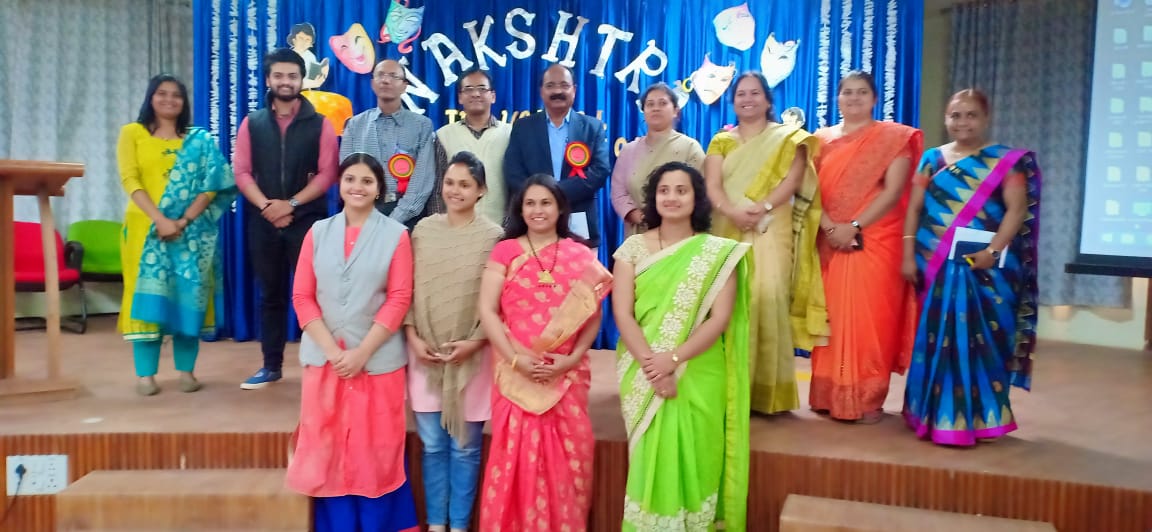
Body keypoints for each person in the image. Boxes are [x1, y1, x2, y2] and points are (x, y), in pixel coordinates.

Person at [612, 162, 751, 531]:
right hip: (643, 368)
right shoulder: (631, 249)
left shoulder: (717, 253)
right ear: (653, 198)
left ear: (696, 198)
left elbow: (719, 319)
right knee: (651, 458)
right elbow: (623, 314)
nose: (671, 198)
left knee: (698, 452)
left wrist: (673, 359)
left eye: (681, 190)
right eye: (664, 190)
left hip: (699, 369)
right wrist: (654, 367)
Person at [285, 152, 418, 531]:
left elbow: (399, 299)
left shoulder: (396, 235)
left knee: (375, 451)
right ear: (339, 185)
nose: (357, 187)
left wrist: (361, 353)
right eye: (350, 179)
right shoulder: (318, 232)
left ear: (379, 189)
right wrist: (333, 352)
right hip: (325, 362)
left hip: (377, 362)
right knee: (327, 448)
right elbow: (302, 297)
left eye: (367, 181)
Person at [901, 89, 1041, 447]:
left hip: (987, 270)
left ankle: (985, 417)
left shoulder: (1006, 162)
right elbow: (914, 208)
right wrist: (907, 254)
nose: (962, 122)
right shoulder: (932, 159)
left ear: (985, 118)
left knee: (987, 341)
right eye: (955, 115)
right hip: (934, 263)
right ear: (946, 119)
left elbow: (1016, 210)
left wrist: (993, 251)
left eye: (971, 115)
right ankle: (932, 413)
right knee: (934, 339)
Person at [476, 174, 612, 531]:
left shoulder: (579, 254)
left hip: (565, 375)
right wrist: (516, 359)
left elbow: (593, 317)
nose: (538, 210)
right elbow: (487, 310)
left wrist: (571, 359)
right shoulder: (505, 251)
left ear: (560, 208)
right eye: (530, 203)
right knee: (513, 458)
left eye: (546, 203)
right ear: (520, 209)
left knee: (569, 457)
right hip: (514, 372)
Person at [702, 71, 827, 415]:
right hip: (727, 226)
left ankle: (766, 393)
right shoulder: (720, 141)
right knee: (729, 302)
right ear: (733, 102)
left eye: (755, 93)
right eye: (741, 94)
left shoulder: (787, 138)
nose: (747, 99)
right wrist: (733, 212)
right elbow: (712, 185)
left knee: (767, 298)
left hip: (772, 226)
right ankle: (729, 390)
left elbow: (793, 179)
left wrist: (763, 207)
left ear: (768, 100)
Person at [809, 71, 924, 423]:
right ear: (837, 98)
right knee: (830, 319)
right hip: (829, 239)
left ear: (875, 99)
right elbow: (809, 190)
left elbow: (893, 191)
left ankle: (867, 398)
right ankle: (828, 395)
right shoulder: (819, 140)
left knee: (870, 320)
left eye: (862, 92)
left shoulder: (893, 138)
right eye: (847, 92)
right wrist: (831, 227)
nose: (854, 98)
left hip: (875, 239)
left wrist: (854, 226)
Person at [117, 74, 236, 396]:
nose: (169, 100)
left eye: (176, 95)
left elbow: (214, 185)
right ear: (150, 97)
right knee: (147, 297)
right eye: (162, 93)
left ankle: (187, 371)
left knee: (189, 297)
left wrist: (182, 221)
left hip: (191, 233)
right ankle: (146, 375)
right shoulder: (132, 133)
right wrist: (160, 220)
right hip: (144, 231)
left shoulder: (199, 140)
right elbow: (130, 179)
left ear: (184, 102)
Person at [405, 151, 503, 532]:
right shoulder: (423, 231)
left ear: (481, 191)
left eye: (465, 184)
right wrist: (412, 337)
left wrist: (475, 342)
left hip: (473, 358)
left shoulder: (494, 237)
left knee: (465, 448)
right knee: (432, 445)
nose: (455, 190)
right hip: (425, 355)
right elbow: (408, 290)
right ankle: (436, 524)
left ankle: (459, 525)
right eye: (450, 183)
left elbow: (498, 302)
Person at [234, 48, 339, 390]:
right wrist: (268, 206)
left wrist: (290, 204)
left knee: (316, 295)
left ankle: (324, 363)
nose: (285, 81)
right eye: (278, 75)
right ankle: (271, 366)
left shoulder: (320, 124)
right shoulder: (252, 123)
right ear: (268, 79)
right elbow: (242, 172)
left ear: (301, 80)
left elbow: (328, 174)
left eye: (292, 76)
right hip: (262, 222)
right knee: (271, 295)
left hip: (307, 221)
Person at [504, 64, 611, 248]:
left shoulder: (592, 127)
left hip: (578, 219)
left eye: (564, 85)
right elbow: (513, 172)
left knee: (581, 267)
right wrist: (541, 199)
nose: (557, 91)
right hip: (534, 221)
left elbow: (600, 170)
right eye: (550, 86)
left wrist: (554, 194)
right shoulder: (523, 127)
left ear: (574, 90)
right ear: (541, 91)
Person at [341, 59, 437, 228]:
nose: (386, 80)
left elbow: (423, 180)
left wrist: (393, 221)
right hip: (362, 214)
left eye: (393, 76)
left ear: (404, 86)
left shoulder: (422, 125)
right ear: (372, 83)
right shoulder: (355, 125)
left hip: (407, 216)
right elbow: (346, 175)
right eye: (380, 75)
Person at [611, 83, 706, 236]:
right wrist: (640, 217)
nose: (656, 108)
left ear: (675, 111)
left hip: (680, 234)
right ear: (643, 111)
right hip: (639, 233)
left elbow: (701, 193)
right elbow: (618, 192)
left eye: (662, 103)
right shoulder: (629, 151)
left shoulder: (690, 147)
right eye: (650, 104)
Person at [436, 68, 511, 224]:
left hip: (500, 228)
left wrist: (509, 227)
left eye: (482, 89)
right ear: (460, 97)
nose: (476, 94)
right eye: (469, 89)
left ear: (493, 96)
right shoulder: (444, 135)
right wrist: (440, 226)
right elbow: (437, 189)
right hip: (455, 228)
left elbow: (516, 187)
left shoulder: (510, 134)